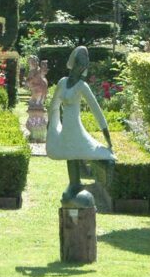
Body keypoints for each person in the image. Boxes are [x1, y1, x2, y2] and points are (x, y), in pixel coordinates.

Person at [46, 46, 116, 207]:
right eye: (79, 63)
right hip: (65, 129)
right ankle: (74, 184)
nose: (81, 67)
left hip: (76, 128)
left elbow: (96, 111)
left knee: (88, 151)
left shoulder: (82, 86)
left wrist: (107, 136)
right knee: (70, 156)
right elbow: (54, 105)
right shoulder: (63, 83)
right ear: (73, 63)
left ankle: (105, 165)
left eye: (84, 65)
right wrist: (52, 125)